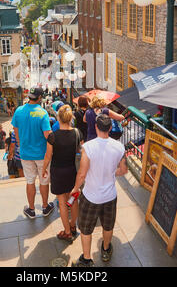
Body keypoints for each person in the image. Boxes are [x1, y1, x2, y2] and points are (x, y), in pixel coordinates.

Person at [71, 114, 128, 267]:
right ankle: (106, 249)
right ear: (110, 128)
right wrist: (110, 172)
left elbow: (82, 174)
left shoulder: (88, 147)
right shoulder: (119, 146)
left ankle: (87, 259)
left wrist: (75, 188)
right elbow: (123, 170)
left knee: (86, 228)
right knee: (108, 225)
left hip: (90, 196)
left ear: (96, 127)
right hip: (110, 196)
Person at [42, 105, 83, 243]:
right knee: (73, 200)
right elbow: (82, 152)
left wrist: (43, 169)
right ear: (71, 118)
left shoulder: (53, 137)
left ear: (58, 118)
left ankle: (66, 232)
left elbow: (48, 156)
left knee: (62, 203)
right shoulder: (77, 133)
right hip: (72, 171)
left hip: (58, 172)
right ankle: (73, 226)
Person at [12, 86, 54, 219]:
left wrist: (20, 145)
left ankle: (31, 209)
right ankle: (45, 206)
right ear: (40, 98)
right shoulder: (42, 113)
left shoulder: (18, 111)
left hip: (25, 153)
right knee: (44, 181)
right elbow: (48, 135)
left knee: (30, 181)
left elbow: (16, 131)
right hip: (41, 154)